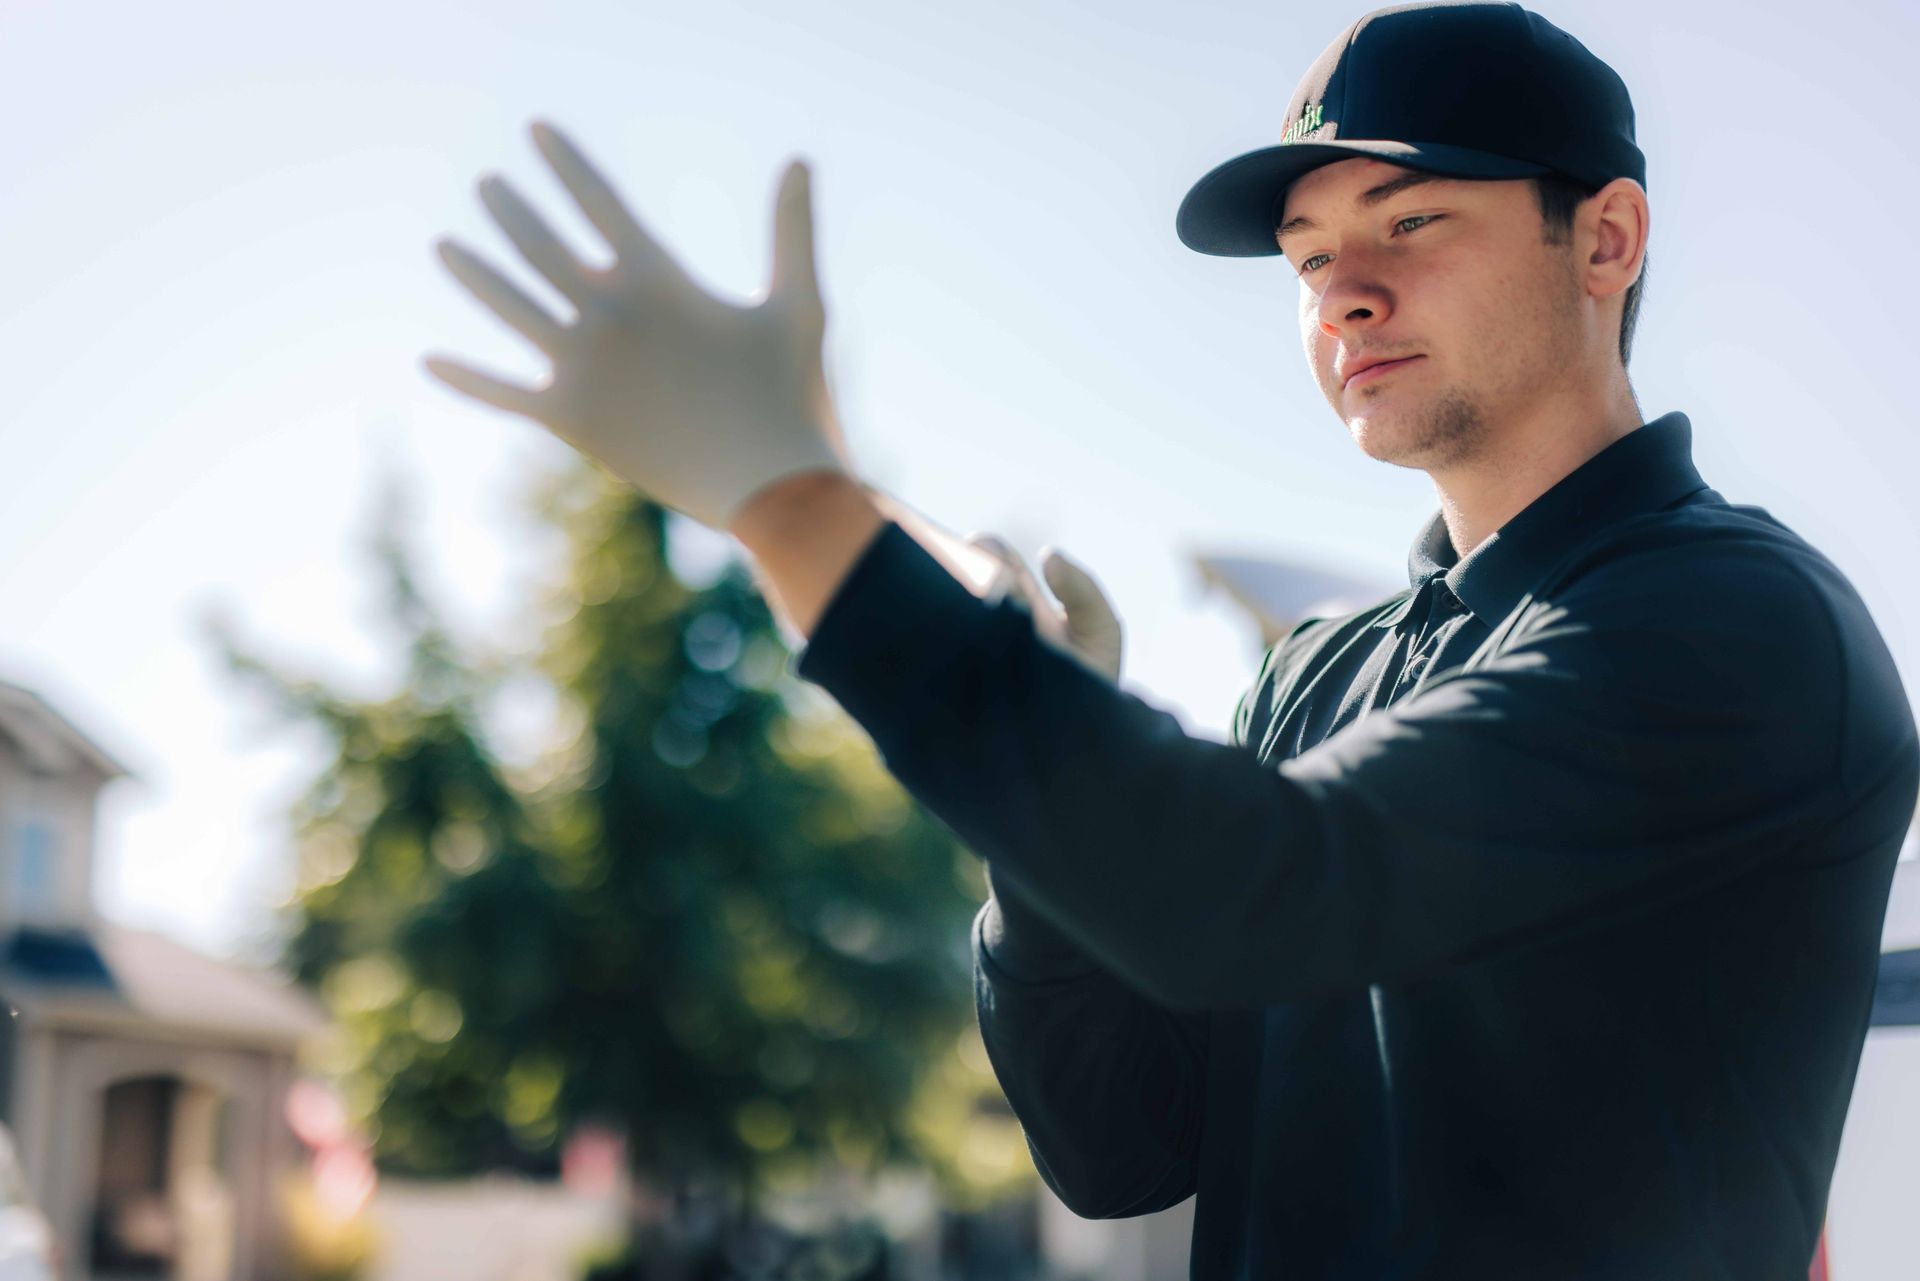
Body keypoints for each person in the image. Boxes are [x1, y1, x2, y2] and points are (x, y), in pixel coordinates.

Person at [422, 2, 1919, 1275]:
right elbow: (1121, 1145)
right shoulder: (1317, 673)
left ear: (1606, 239)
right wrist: (1047, 843)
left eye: (1410, 223)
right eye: (1308, 255)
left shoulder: (1738, 626)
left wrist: (801, 515)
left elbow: (1267, 883)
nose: (1345, 294)